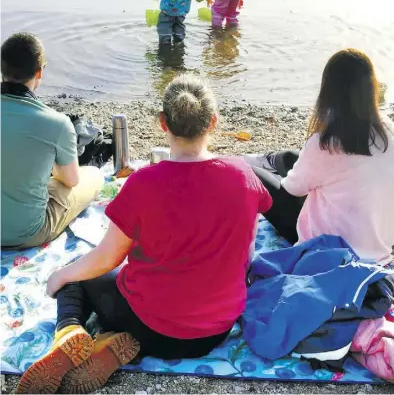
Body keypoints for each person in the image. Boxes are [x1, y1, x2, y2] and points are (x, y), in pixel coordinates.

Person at [17, 75, 272, 394]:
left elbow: (106, 258)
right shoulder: (242, 175)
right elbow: (246, 251)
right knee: (127, 294)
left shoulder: (143, 184)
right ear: (214, 122)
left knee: (77, 276)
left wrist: (59, 276)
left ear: (163, 123)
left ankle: (69, 332)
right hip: (214, 332)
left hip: (150, 323)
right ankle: (112, 345)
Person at [250, 49, 394, 266]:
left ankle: (254, 165)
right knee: (292, 158)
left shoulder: (327, 143)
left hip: (329, 251)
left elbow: (292, 189)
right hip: (378, 247)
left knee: (256, 176)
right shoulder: (388, 130)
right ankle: (275, 161)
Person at [1, 33, 104, 249]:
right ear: (39, 72)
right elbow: (70, 181)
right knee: (93, 175)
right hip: (26, 233)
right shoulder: (56, 123)